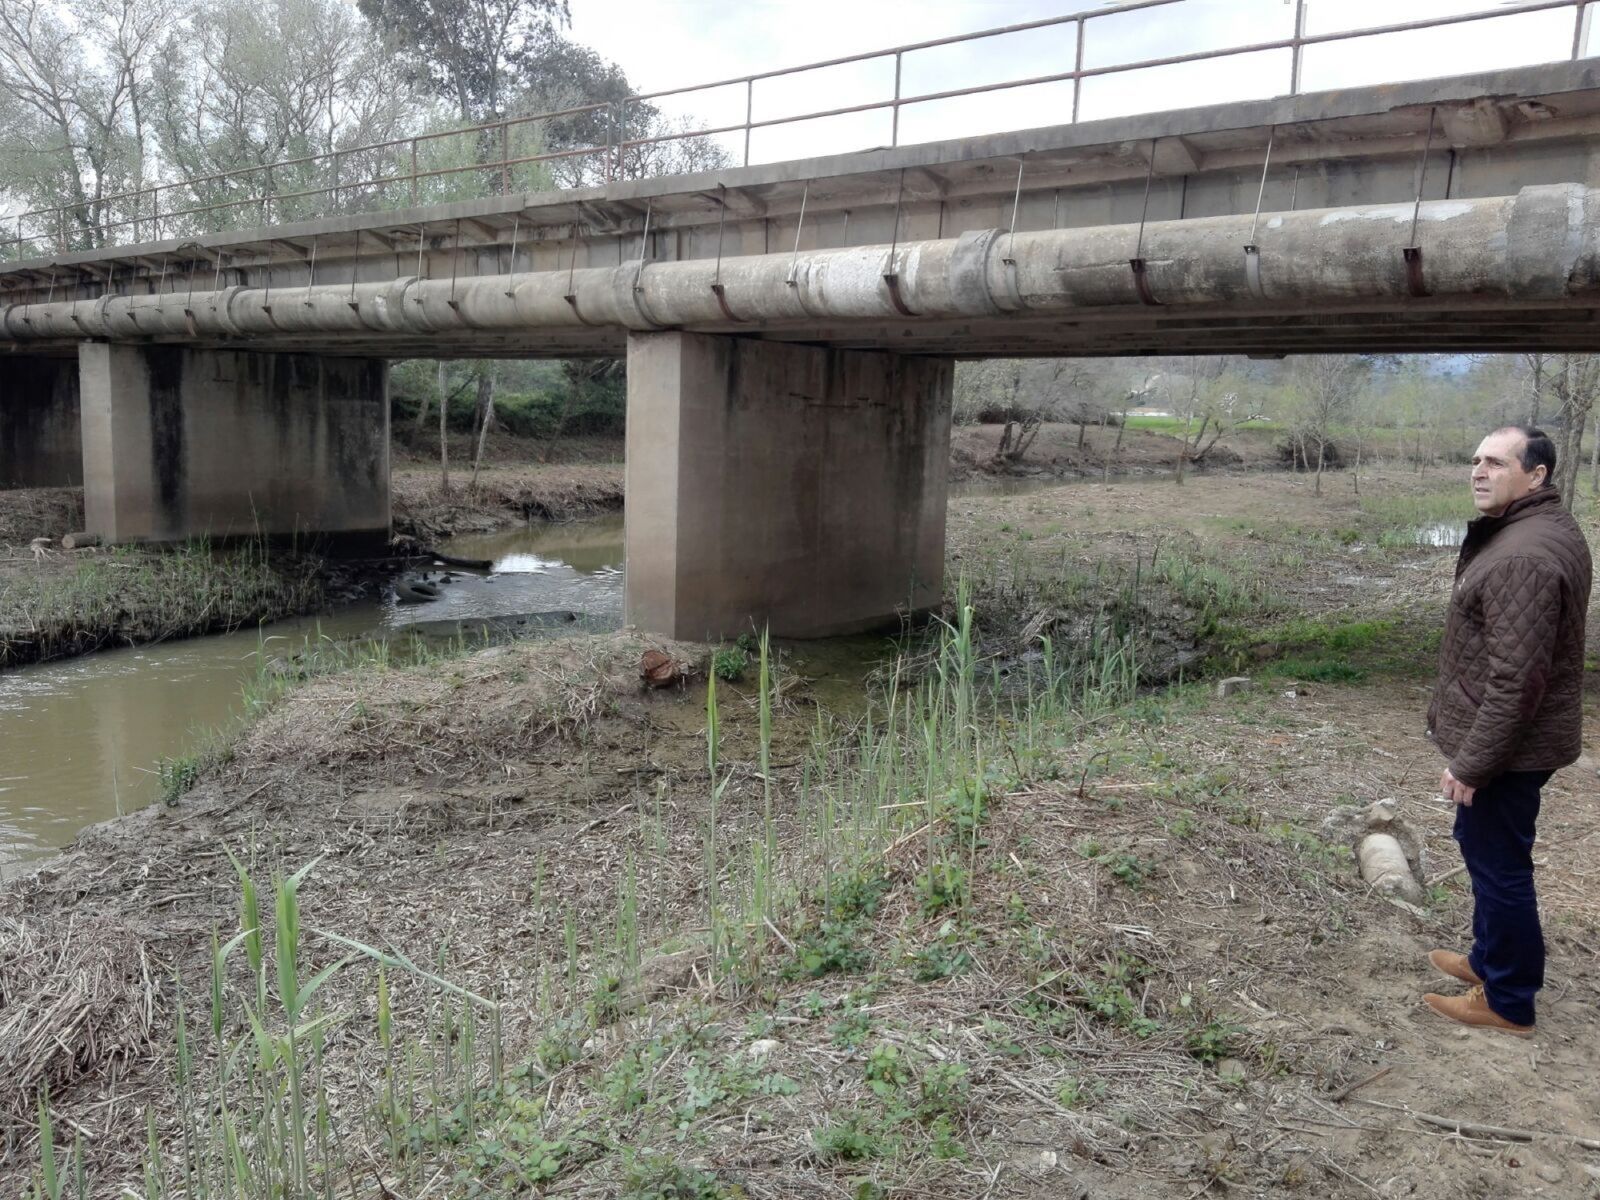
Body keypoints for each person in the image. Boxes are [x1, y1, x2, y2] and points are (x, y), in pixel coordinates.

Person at [1424, 425, 1591, 1036]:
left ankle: (1509, 999)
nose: (1478, 471)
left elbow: (1516, 681)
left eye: (1495, 462)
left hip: (1507, 750)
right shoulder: (1537, 529)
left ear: (1536, 475)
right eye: (1475, 460)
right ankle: (1488, 959)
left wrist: (1471, 764)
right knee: (1487, 851)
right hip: (1518, 743)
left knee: (1499, 867)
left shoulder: (1523, 554)